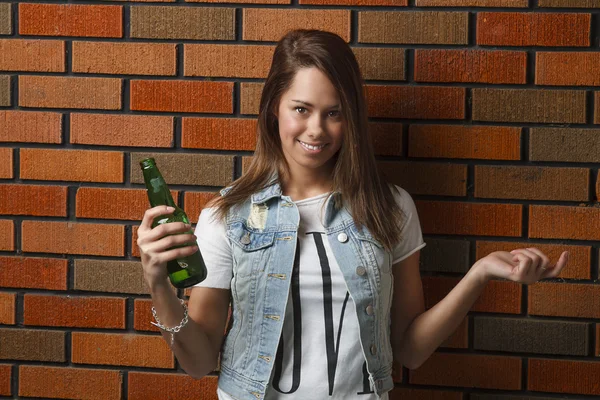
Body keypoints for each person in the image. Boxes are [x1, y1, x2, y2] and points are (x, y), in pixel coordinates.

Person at [136, 29, 569, 400]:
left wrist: (479, 274)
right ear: (274, 108)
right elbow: (199, 361)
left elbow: (410, 350)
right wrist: (159, 285)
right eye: (301, 109)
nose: (316, 130)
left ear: (351, 118)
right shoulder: (227, 216)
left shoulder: (389, 208)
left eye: (334, 113)